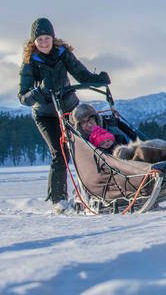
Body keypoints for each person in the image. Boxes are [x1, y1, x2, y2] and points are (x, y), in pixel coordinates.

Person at [17, 18, 110, 214]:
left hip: (70, 109)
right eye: (39, 39)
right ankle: (59, 201)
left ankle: (95, 190)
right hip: (46, 115)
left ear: (53, 37)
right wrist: (39, 91)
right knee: (60, 154)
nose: (44, 43)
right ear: (34, 41)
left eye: (47, 38)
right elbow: (23, 97)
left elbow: (81, 74)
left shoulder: (62, 53)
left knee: (86, 148)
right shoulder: (30, 62)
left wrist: (98, 80)